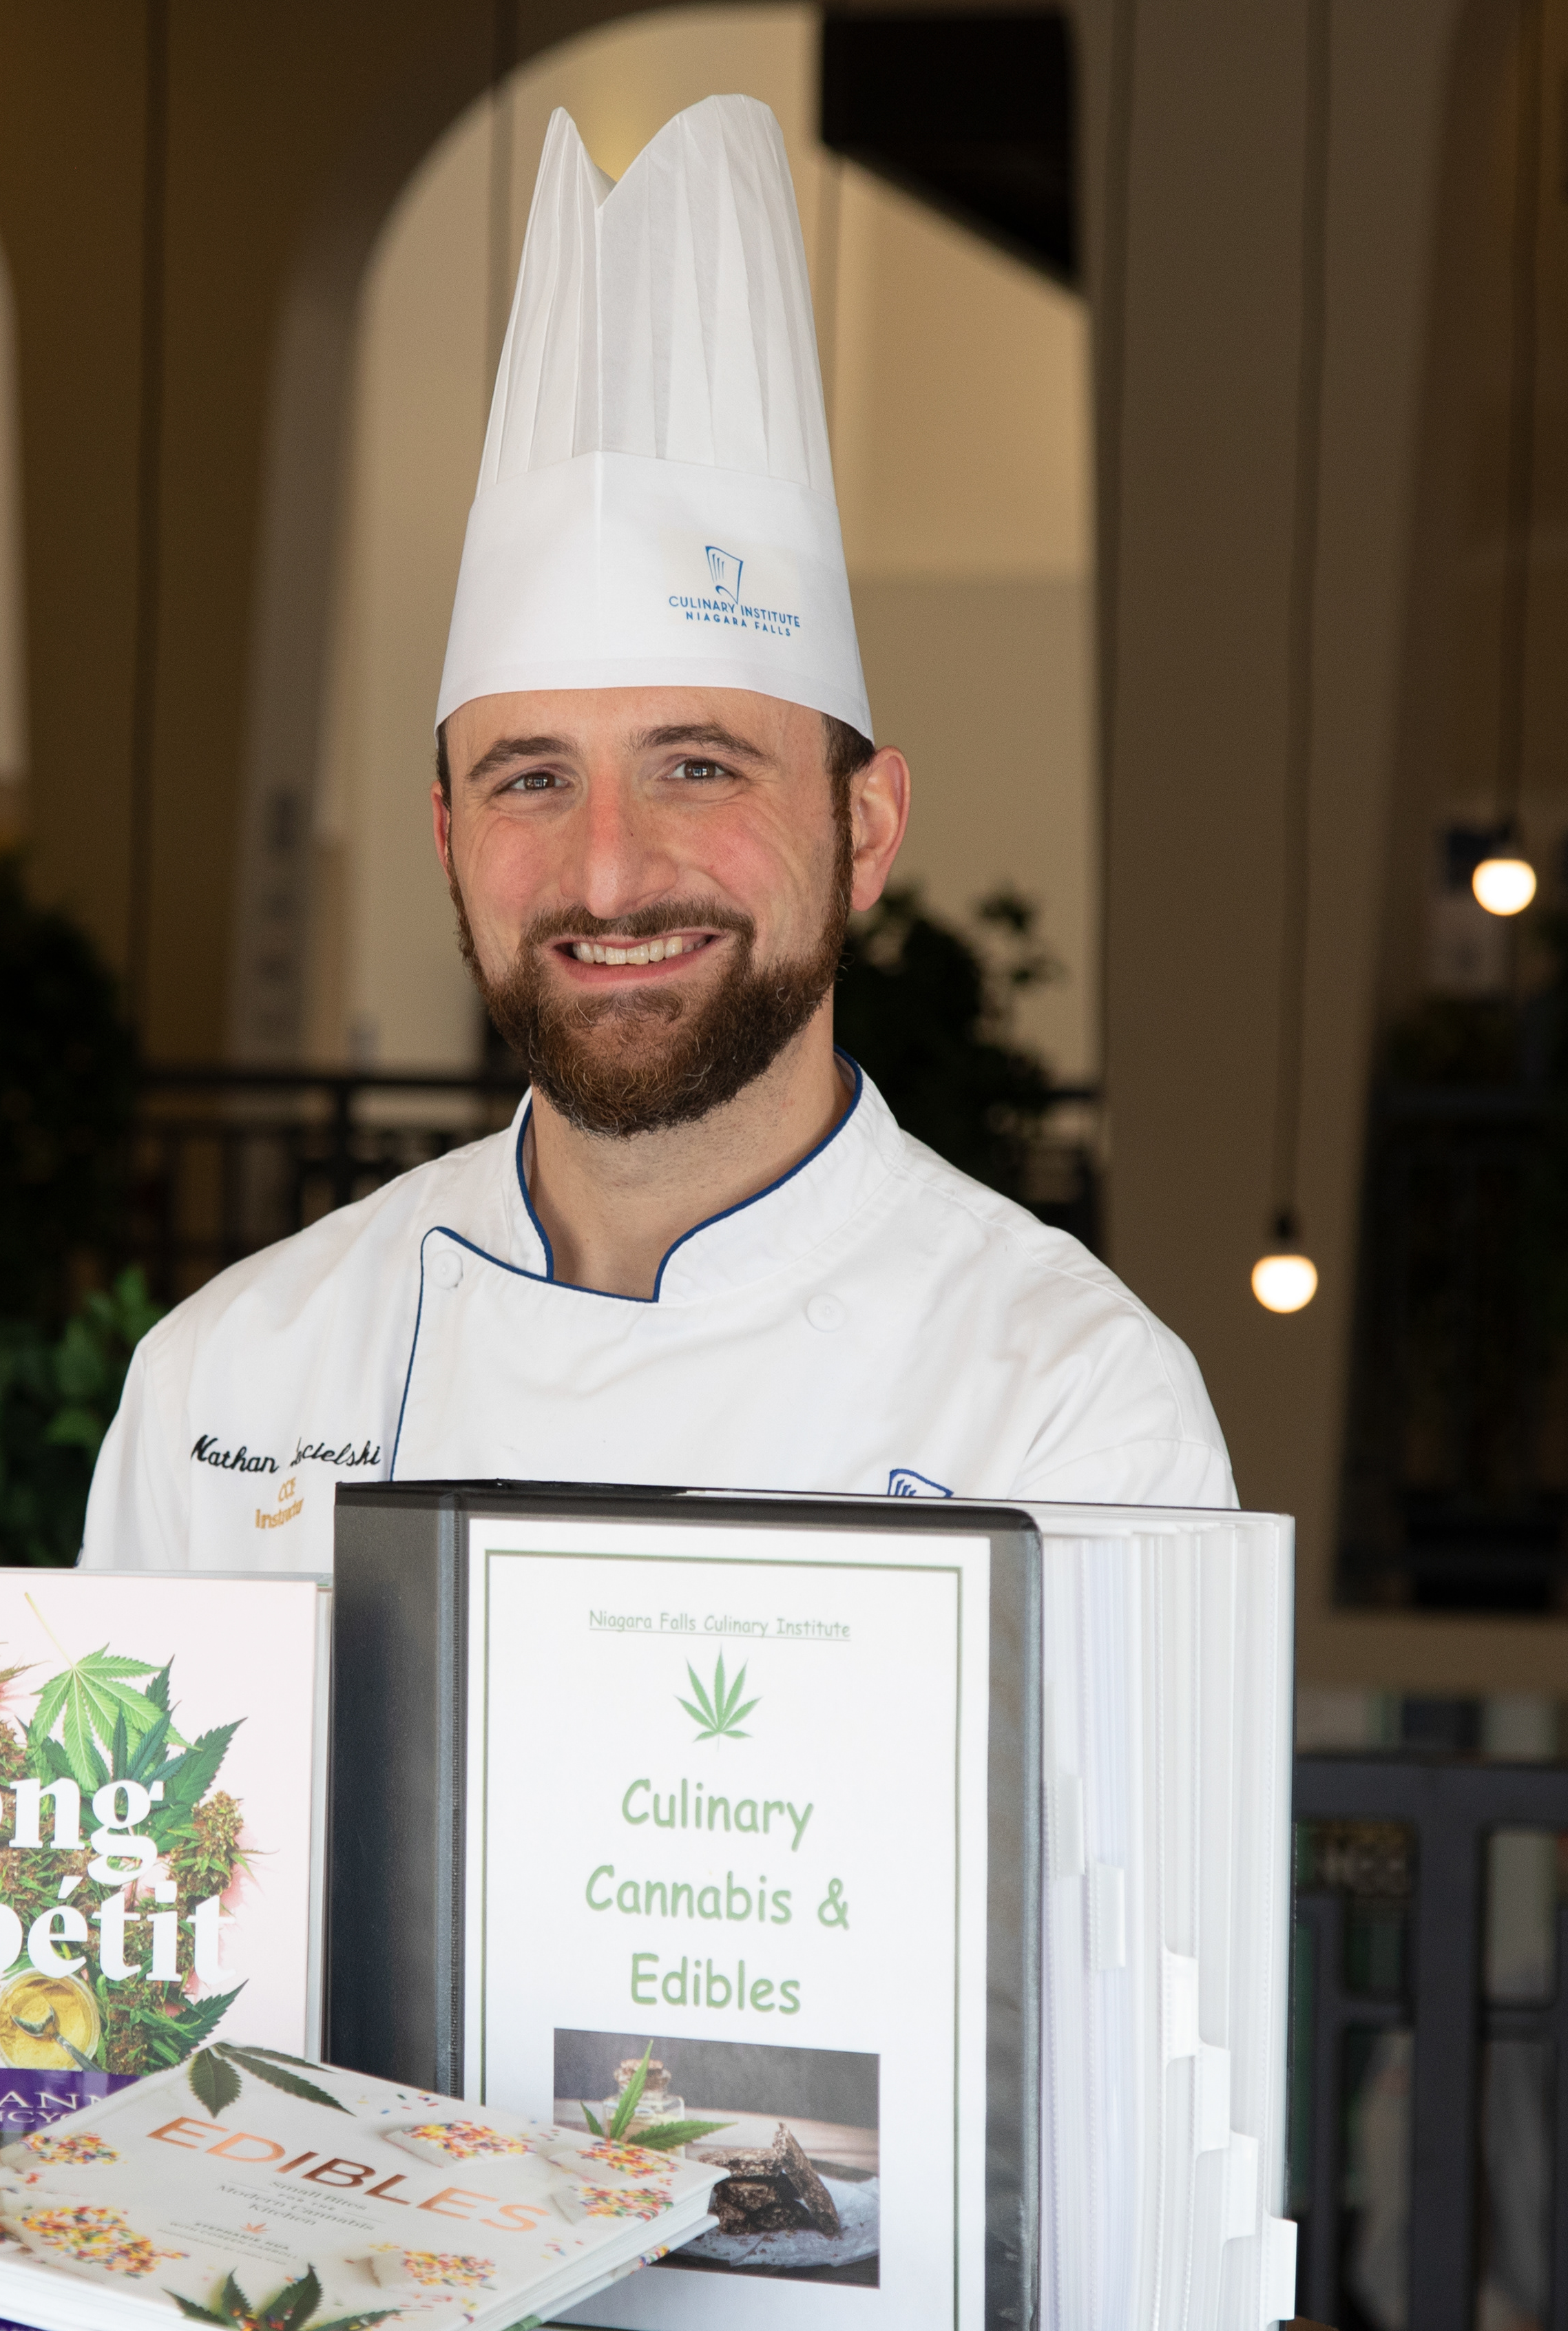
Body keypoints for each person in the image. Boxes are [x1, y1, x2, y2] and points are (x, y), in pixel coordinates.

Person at [83, 94, 1231, 1575]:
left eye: (697, 766)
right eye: (530, 779)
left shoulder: (1076, 1413)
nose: (609, 873)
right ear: (446, 834)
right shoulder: (228, 1383)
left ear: (865, 826)